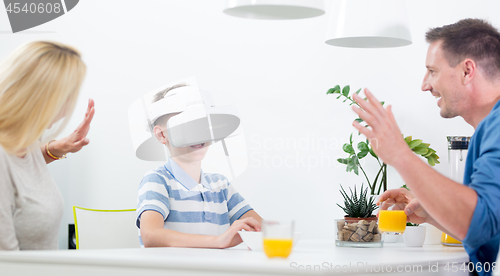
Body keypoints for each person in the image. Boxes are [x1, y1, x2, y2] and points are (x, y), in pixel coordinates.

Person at [351, 19, 500, 275]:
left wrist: (400, 155)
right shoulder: (487, 130)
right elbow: (488, 230)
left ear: (467, 71)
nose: (425, 84)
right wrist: (431, 213)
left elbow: (480, 221)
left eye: (433, 71)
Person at [136, 84, 262, 248]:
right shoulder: (157, 181)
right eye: (186, 126)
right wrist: (218, 241)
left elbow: (263, 229)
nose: (198, 135)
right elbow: (150, 235)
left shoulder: (221, 186)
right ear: (162, 135)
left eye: (202, 125)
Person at [0, 41, 94, 250]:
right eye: (68, 96)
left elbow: (19, 170)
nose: (68, 106)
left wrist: (57, 149)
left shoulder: (24, 142)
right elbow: (6, 264)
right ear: (44, 98)